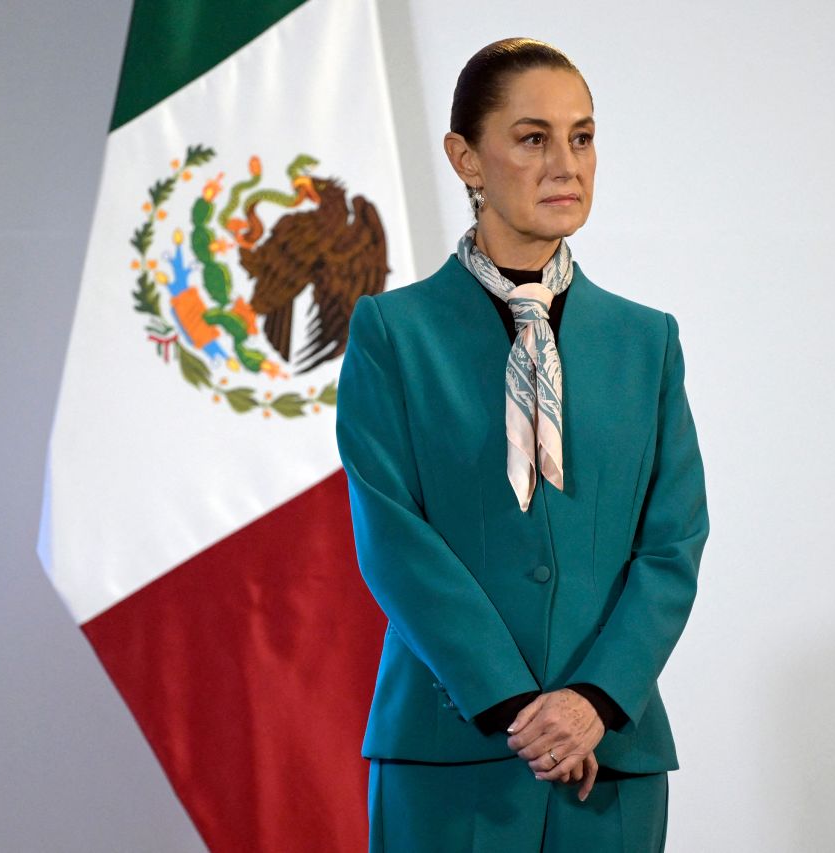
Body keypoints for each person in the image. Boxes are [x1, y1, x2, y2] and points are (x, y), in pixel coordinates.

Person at [335, 36, 709, 852]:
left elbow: (674, 540)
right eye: (532, 138)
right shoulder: (392, 334)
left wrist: (594, 702)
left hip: (608, 757)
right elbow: (392, 538)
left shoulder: (647, 341)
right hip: (450, 753)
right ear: (466, 158)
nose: (565, 164)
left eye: (582, 136)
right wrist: (515, 707)